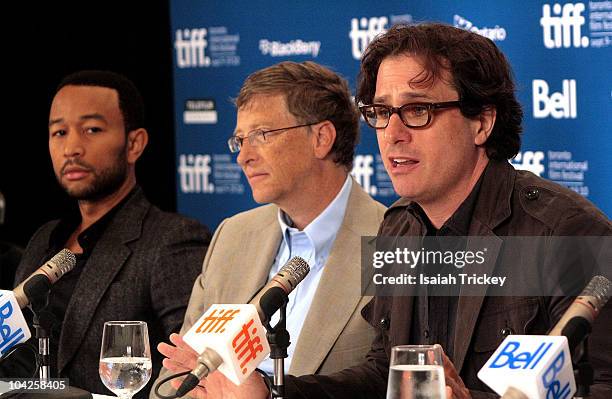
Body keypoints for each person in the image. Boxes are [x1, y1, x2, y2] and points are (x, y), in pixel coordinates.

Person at [158, 23, 612, 399]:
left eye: (417, 111)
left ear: (482, 122)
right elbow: (383, 373)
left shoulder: (567, 235)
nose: (392, 134)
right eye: (380, 112)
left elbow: (603, 387)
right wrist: (273, 393)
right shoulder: (399, 227)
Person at [152, 61, 386, 397]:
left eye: (262, 135)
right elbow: (174, 376)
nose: (243, 157)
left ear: (321, 138)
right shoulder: (232, 236)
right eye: (239, 140)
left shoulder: (393, 242)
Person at [7, 70, 211, 398]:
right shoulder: (43, 240)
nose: (71, 147)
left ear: (134, 144)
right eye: (59, 132)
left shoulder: (172, 240)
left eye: (92, 129)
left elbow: (191, 372)